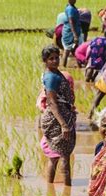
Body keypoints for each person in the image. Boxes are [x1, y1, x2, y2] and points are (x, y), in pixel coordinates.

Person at [40, 45, 77, 186]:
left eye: (57, 57)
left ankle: (55, 189)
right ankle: (66, 188)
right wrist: (64, 125)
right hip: (58, 120)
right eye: (51, 59)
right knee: (61, 157)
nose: (55, 61)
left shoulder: (55, 73)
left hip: (62, 116)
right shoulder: (51, 77)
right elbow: (52, 102)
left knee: (58, 156)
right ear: (45, 61)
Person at [62, 0, 84, 67]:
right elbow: (70, 22)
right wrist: (74, 35)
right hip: (70, 33)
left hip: (73, 32)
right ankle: (63, 67)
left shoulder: (72, 7)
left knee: (76, 50)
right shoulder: (70, 9)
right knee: (67, 50)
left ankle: (79, 66)